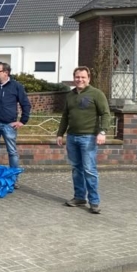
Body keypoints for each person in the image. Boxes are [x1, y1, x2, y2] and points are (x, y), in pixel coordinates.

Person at [57, 66, 111, 215]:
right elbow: (65, 116)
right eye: (77, 77)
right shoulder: (70, 95)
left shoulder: (96, 94)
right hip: (72, 137)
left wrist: (102, 132)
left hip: (88, 137)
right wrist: (60, 134)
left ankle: (94, 201)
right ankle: (79, 197)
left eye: (83, 77)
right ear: (74, 78)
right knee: (76, 169)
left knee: (89, 170)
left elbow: (106, 114)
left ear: (88, 79)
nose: (80, 80)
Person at [0, 62, 31, 188]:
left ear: (6, 73)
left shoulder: (16, 86)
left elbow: (25, 104)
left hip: (9, 125)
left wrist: (22, 121)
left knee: (12, 152)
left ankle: (13, 179)